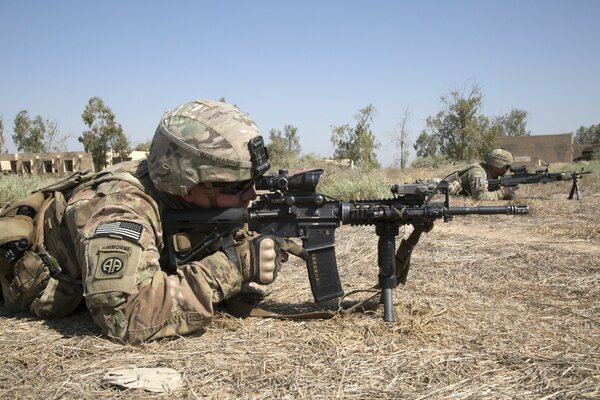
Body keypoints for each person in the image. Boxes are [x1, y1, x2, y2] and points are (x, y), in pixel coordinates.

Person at [0, 99, 303, 343]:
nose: (250, 195)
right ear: (185, 181)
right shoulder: (120, 208)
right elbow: (124, 315)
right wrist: (233, 267)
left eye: (254, 181)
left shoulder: (177, 194)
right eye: (235, 187)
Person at [445, 148, 515, 201]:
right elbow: (480, 196)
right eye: (507, 166)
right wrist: (502, 193)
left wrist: (509, 193)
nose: (507, 169)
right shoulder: (478, 172)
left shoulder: (493, 175)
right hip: (441, 192)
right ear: (497, 164)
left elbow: (492, 192)